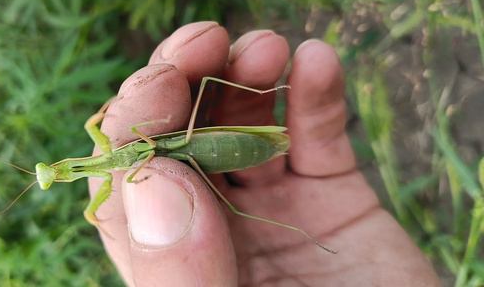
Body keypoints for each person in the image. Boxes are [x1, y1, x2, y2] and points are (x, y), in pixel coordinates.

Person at [88, 21, 440, 286]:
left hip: (192, 144)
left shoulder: (110, 163)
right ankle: (299, 232)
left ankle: (277, 91)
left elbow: (125, 137)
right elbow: (109, 135)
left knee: (209, 81)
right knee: (225, 203)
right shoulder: (114, 166)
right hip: (198, 154)